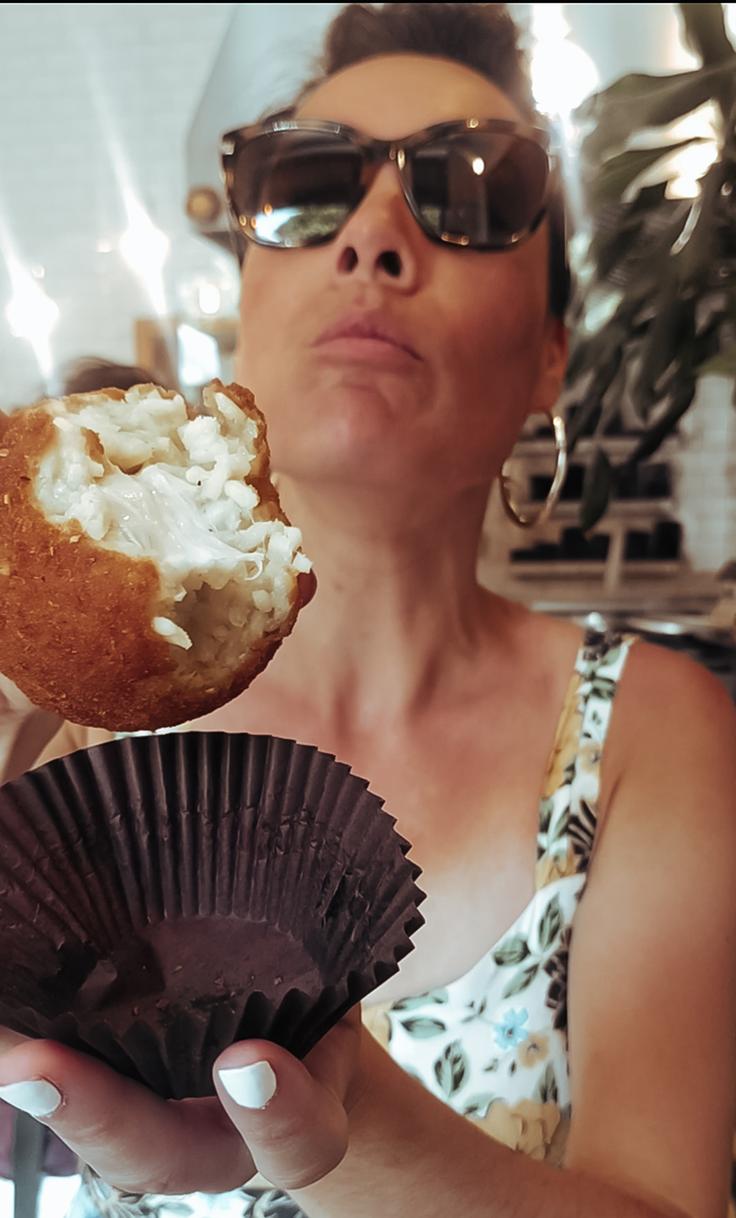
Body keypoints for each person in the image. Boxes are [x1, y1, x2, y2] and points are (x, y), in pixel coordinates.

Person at [0, 5, 734, 1218]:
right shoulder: (65, 721)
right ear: (245, 290)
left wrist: (337, 1117)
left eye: (472, 189)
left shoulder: (648, 733)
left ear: (551, 352)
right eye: (307, 180)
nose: (375, 238)